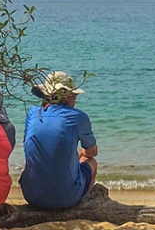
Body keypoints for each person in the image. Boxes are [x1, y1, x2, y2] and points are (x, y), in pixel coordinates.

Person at [19, 71, 98, 209]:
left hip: (30, 195)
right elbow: (92, 152)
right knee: (91, 162)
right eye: (74, 96)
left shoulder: (32, 113)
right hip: (65, 199)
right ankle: (81, 204)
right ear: (67, 97)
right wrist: (82, 153)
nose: (75, 99)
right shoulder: (77, 117)